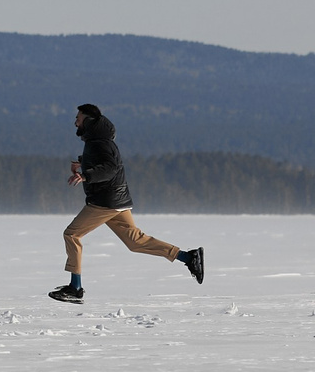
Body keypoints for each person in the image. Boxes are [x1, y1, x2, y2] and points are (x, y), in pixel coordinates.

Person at [50, 104, 204, 302]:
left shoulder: (100, 142)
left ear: (88, 121)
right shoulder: (98, 140)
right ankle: (188, 258)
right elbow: (105, 160)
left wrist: (86, 175)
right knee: (135, 242)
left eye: (78, 118)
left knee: (71, 234)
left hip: (104, 202)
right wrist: (83, 162)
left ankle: (75, 287)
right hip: (117, 201)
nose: (75, 122)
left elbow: (110, 168)